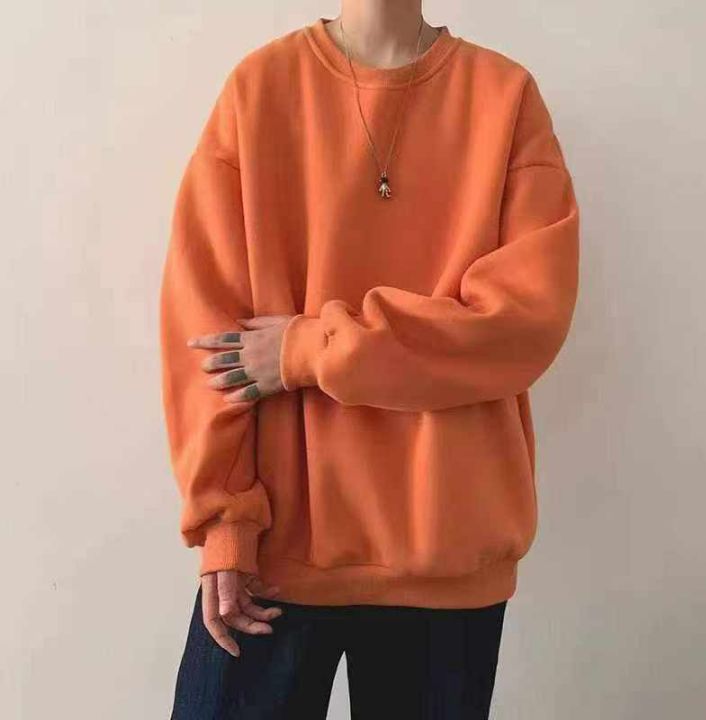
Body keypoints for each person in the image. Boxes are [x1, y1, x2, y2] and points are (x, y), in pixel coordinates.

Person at [159, 1, 580, 717]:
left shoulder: (504, 96)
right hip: (277, 551)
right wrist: (225, 521)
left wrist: (307, 349)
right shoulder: (261, 90)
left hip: (444, 555)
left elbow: (521, 324)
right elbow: (205, 332)